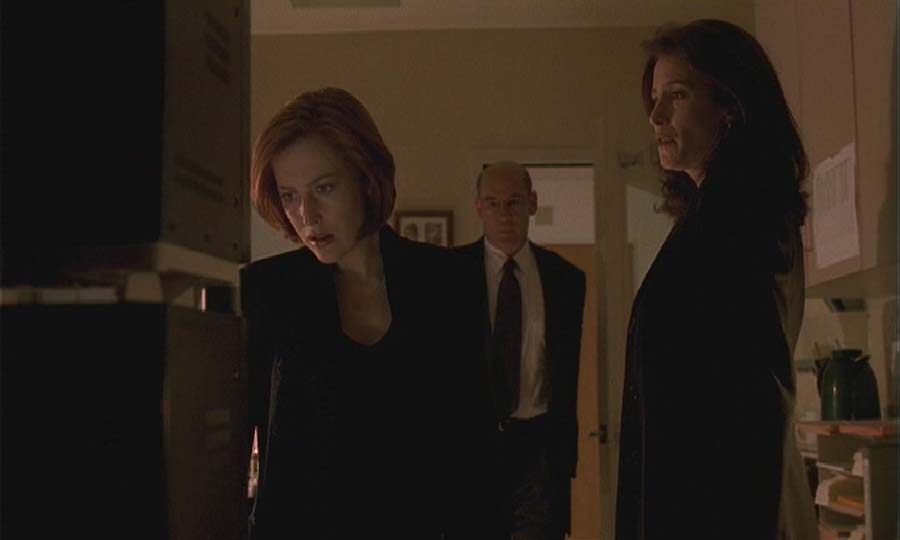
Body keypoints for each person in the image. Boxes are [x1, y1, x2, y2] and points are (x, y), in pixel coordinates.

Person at [241, 87, 495, 539]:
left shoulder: (448, 281)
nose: (307, 215)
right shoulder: (268, 291)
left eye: (324, 188)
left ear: (365, 178)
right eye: (289, 195)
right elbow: (244, 451)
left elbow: (474, 453)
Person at [615, 20, 817, 540]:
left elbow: (747, 407)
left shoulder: (738, 219)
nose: (656, 116)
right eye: (654, 99)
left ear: (731, 104)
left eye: (677, 95)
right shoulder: (720, 214)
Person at [456, 161, 586, 540]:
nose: (504, 214)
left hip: (539, 448)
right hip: (471, 447)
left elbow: (566, 374)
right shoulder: (451, 273)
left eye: (514, 202)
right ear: (478, 208)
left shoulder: (565, 279)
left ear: (532, 203)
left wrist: (564, 460)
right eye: (492, 203)